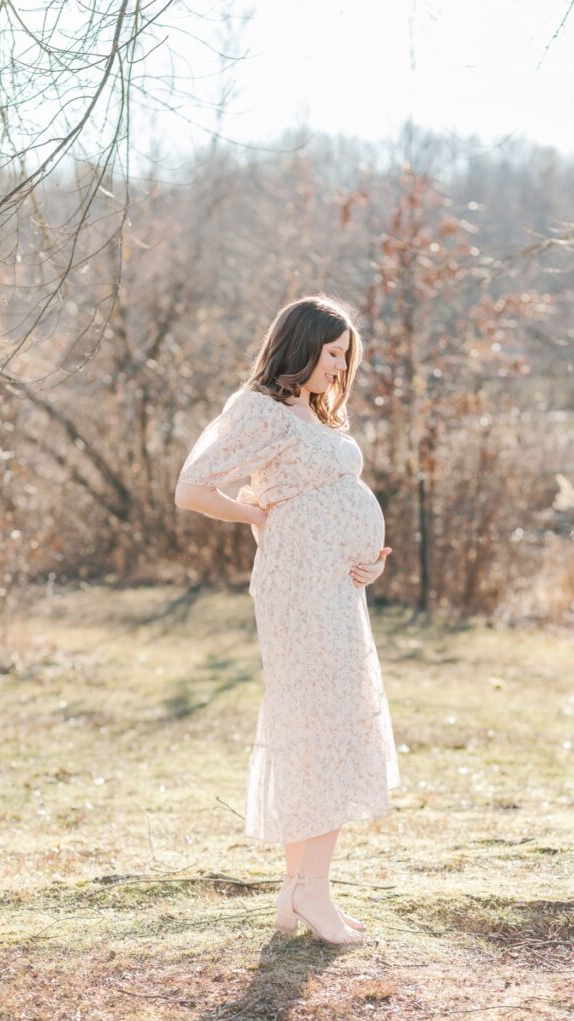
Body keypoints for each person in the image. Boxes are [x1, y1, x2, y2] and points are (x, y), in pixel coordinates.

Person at [174, 294, 401, 945]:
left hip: (335, 587)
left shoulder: (315, 414)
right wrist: (258, 516)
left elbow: (328, 499)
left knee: (324, 726)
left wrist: (366, 561)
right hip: (298, 591)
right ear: (301, 346)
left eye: (344, 357)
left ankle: (297, 893)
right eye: (332, 354)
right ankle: (312, 895)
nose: (339, 367)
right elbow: (193, 488)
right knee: (320, 729)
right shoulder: (259, 409)